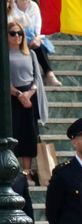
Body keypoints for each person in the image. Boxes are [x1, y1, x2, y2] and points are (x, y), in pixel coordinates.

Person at [6, 23, 39, 183]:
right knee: (14, 132)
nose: (17, 36)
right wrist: (19, 94)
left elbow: (36, 78)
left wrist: (29, 93)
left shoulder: (30, 53)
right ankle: (12, 170)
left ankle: (27, 171)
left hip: (29, 95)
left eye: (20, 33)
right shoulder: (5, 54)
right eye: (13, 33)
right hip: (12, 96)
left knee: (29, 133)